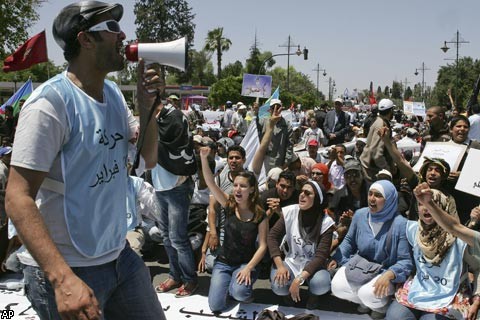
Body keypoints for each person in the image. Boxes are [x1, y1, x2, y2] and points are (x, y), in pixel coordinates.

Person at [5, 2, 166, 319]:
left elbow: (149, 156)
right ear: (85, 39)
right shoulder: (50, 104)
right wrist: (62, 278)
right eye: (112, 28)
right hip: (70, 269)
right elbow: (16, 197)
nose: (123, 36)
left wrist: (147, 108)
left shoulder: (114, 95)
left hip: (119, 256)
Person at [386, 188, 480, 320]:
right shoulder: (413, 231)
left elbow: (477, 268)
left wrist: (477, 299)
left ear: (442, 207)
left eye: (431, 203)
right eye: (420, 203)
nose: (425, 207)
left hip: (450, 295)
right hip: (419, 288)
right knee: (394, 317)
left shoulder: (459, 239)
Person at [328, 180, 413, 319]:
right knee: (337, 286)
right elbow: (349, 241)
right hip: (361, 266)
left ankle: (381, 307)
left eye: (378, 195)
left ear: (390, 199)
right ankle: (367, 303)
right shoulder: (360, 215)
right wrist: (337, 258)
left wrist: (389, 274)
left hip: (384, 271)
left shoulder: (400, 224)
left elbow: (405, 260)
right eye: (370, 194)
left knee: (368, 294)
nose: (372, 199)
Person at [199, 146, 268, 313]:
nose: (237, 189)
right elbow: (209, 182)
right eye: (235, 185)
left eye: (243, 186)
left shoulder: (260, 214)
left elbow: (263, 246)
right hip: (223, 263)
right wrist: (203, 158)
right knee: (216, 306)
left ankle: (242, 289)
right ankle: (231, 285)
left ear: (251, 189)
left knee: (240, 293)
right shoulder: (228, 205)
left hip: (245, 263)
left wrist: (248, 268)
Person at [268, 180, 335, 310]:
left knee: (321, 284)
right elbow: (272, 237)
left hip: (313, 264)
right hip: (291, 260)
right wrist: (280, 266)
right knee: (279, 286)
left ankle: (314, 294)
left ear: (317, 199)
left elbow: (321, 256)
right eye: (301, 191)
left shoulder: (326, 223)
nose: (302, 195)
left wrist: (299, 279)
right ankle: (288, 293)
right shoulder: (290, 212)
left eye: (308, 193)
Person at [360, 98, 395, 182]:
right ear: (390, 111)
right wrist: (387, 169)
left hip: (370, 167)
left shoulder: (378, 120)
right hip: (372, 170)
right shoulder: (382, 125)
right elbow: (376, 154)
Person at [258, 98, 294, 172]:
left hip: (278, 160)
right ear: (269, 109)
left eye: (278, 108)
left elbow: (289, 145)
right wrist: (255, 113)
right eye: (273, 108)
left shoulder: (287, 125)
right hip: (263, 158)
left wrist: (287, 162)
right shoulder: (263, 121)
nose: (275, 110)